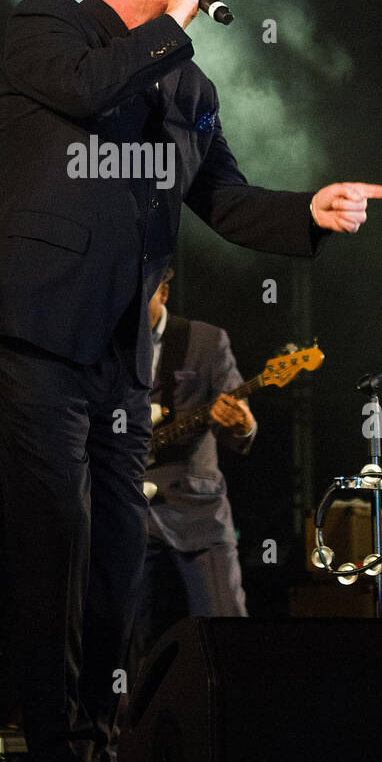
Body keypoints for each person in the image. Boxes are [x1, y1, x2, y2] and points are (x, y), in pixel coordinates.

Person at [0, 0, 382, 762]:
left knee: (120, 549)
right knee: (58, 540)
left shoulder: (189, 89)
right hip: (34, 321)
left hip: (124, 350)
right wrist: (175, 24)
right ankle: (57, 756)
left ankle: (105, 747)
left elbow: (225, 198)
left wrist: (305, 209)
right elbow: (87, 91)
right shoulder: (49, 25)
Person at [134, 268, 254, 659]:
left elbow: (239, 418)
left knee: (225, 626)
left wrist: (243, 422)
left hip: (197, 507)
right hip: (130, 508)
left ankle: (232, 715)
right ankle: (123, 720)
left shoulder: (205, 340)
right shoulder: (107, 344)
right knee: (123, 638)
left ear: (164, 292)